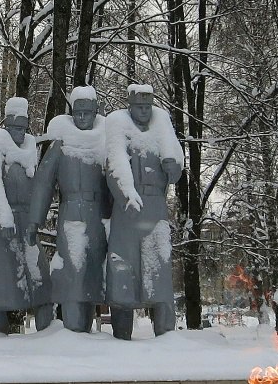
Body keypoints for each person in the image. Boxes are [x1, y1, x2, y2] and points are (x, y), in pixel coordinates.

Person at [102, 84, 183, 339]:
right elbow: (114, 162)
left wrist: (173, 166)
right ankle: (122, 330)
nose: (144, 111)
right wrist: (126, 193)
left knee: (159, 267)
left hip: (155, 207)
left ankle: (166, 333)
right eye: (139, 107)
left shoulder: (161, 125)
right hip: (127, 211)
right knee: (122, 267)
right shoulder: (117, 124)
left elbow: (176, 163)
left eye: (147, 106)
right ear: (130, 106)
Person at [27, 86, 109, 333]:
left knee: (94, 270)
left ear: (95, 112)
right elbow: (43, 181)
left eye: (87, 112)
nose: (82, 117)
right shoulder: (62, 145)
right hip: (71, 212)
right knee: (74, 270)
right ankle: (73, 329)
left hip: (98, 215)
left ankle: (85, 329)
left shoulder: (103, 144)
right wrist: (34, 220)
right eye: (78, 113)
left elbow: (116, 179)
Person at [0, 97, 51, 334]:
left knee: (40, 278)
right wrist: (3, 218)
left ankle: (47, 333)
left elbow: (38, 184)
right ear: (6, 126)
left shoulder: (30, 145)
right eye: (14, 128)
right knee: (2, 281)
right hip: (6, 221)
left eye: (22, 128)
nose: (18, 133)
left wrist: (36, 217)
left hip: (26, 221)